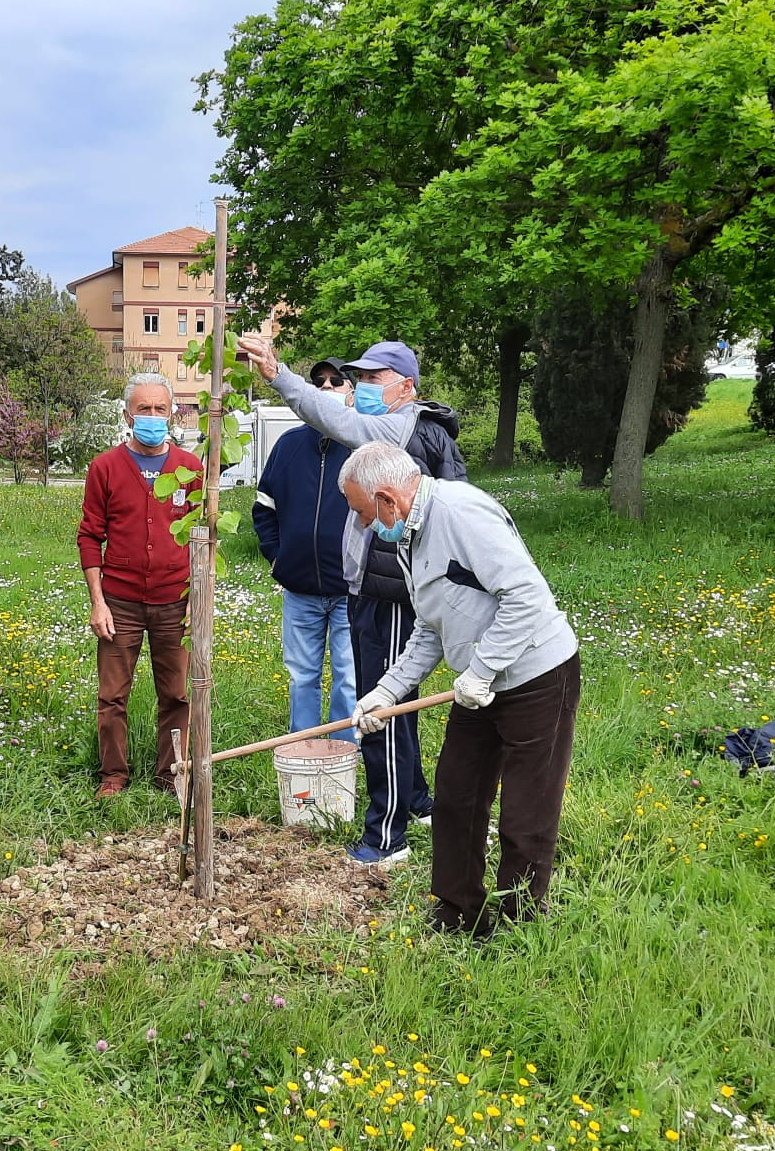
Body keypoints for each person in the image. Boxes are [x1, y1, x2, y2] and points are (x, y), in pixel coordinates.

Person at [237, 336, 468, 867]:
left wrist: (278, 374)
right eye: (357, 378)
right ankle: (416, 799)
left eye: (371, 380)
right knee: (396, 700)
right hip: (385, 588)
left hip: (388, 592)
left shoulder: (401, 426)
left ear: (405, 388)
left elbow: (334, 419)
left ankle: (387, 836)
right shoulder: (426, 429)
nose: (360, 389)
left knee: (377, 707)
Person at [341, 442, 581, 937]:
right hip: (478, 685)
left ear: (388, 499)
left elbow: (525, 598)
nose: (364, 525)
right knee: (456, 798)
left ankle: (521, 927)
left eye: (364, 513)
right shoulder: (407, 535)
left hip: (537, 676)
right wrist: (387, 692)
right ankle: (457, 915)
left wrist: (482, 670)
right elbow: (431, 628)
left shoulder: (461, 514)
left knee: (526, 812)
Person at [77, 372, 202, 796]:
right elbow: (90, 535)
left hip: (175, 601)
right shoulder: (106, 467)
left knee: (177, 695)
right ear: (128, 414)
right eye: (143, 409)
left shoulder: (189, 469)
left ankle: (172, 774)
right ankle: (114, 774)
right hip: (121, 601)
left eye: (160, 409)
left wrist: (196, 599)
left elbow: (203, 536)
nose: (152, 416)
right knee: (112, 695)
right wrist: (99, 602)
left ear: (172, 413)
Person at [253, 358, 357, 737]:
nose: (327, 387)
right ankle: (304, 748)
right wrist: (279, 558)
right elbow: (264, 509)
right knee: (301, 678)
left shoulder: (363, 445)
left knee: (348, 677)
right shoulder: (289, 445)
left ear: (352, 392)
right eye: (319, 382)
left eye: (337, 381)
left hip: (351, 592)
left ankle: (345, 750)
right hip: (300, 592)